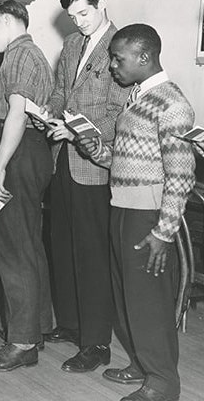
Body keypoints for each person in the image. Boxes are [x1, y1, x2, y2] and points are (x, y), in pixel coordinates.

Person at [76, 24, 194, 401]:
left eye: (118, 58)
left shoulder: (172, 103)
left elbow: (181, 174)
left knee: (147, 302)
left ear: (144, 57)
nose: (112, 65)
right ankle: (142, 365)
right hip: (122, 208)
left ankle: (162, 383)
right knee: (126, 295)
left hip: (147, 217)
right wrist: (97, 150)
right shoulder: (138, 97)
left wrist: (164, 231)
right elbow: (127, 161)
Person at [43, 0, 128, 372]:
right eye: (73, 16)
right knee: (62, 244)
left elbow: (117, 113)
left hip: (93, 165)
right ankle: (73, 324)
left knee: (92, 253)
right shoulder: (73, 45)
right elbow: (62, 92)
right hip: (63, 159)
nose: (78, 22)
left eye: (84, 13)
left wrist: (76, 129)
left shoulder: (120, 48)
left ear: (102, 4)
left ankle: (96, 343)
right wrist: (53, 116)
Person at [0, 1, 54, 372]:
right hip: (31, 152)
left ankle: (21, 342)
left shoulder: (21, 54)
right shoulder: (32, 54)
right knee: (28, 243)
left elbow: (17, 115)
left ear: (8, 21)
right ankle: (35, 329)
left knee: (12, 247)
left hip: (17, 152)